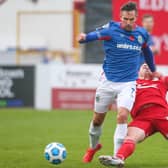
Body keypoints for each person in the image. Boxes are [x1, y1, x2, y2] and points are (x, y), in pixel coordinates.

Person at [78, 2, 157, 163]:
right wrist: (84, 38)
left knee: (122, 115)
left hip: (128, 83)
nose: (128, 22)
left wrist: (153, 69)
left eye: (131, 19)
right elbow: (94, 35)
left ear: (136, 18)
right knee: (97, 120)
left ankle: (117, 158)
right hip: (107, 81)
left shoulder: (142, 34)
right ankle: (93, 147)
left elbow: (147, 50)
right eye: (125, 19)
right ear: (121, 17)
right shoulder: (111, 29)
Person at [99, 63, 168, 167]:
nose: (146, 67)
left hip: (161, 114)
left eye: (149, 66)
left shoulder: (160, 82)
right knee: (130, 138)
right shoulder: (131, 84)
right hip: (142, 118)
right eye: (143, 66)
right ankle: (119, 158)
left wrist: (160, 76)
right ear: (138, 71)